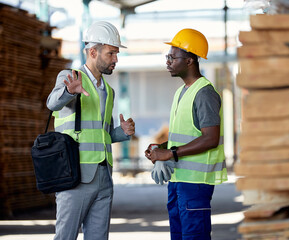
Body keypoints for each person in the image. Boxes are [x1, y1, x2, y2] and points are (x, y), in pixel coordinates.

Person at [47, 21, 135, 240]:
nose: (116, 59)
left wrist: (121, 132)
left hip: (104, 177)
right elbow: (52, 104)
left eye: (116, 54)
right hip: (75, 177)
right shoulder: (70, 77)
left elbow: (101, 134)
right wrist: (68, 91)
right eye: (111, 53)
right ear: (93, 52)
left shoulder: (109, 91)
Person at [145, 28, 227, 240]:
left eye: (172, 57)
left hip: (195, 184)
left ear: (190, 60)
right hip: (179, 180)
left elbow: (211, 138)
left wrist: (170, 154)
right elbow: (185, 136)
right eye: (167, 57)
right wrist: (160, 148)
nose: (168, 61)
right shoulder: (182, 92)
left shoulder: (205, 93)